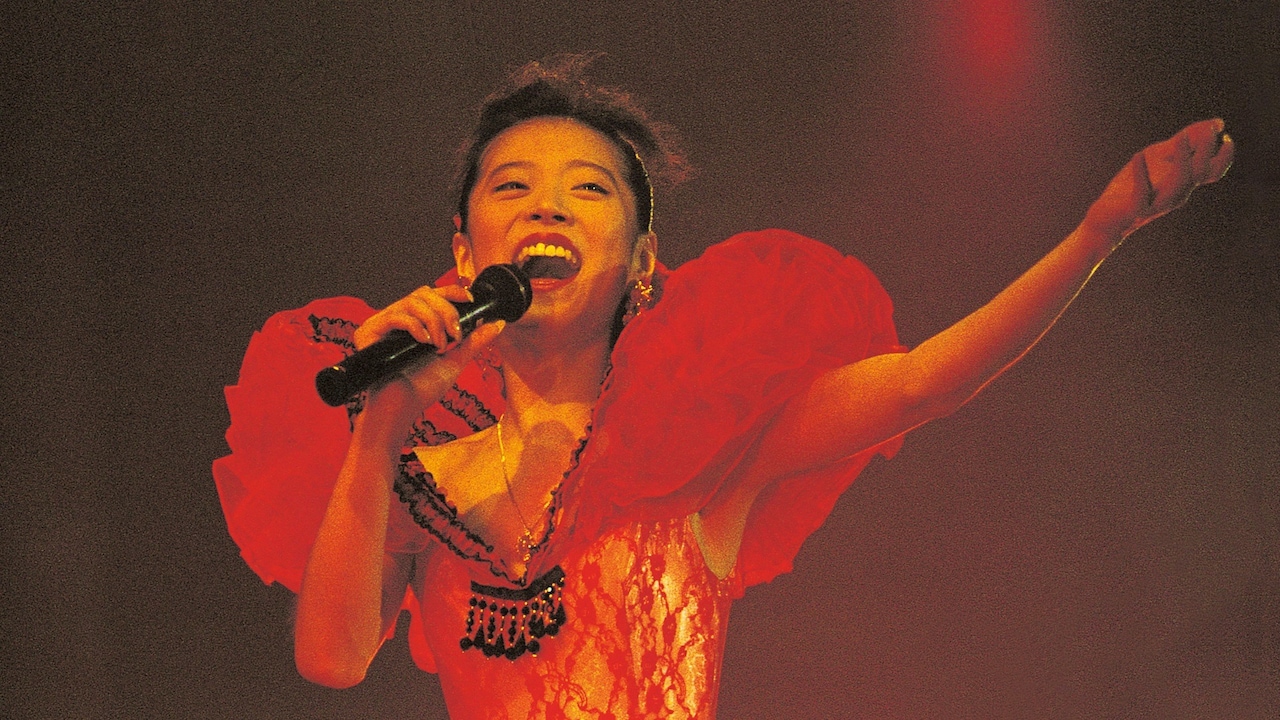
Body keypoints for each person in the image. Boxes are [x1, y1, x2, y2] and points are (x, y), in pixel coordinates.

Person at [213, 56, 1234, 718]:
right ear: (463, 248)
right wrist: (383, 422)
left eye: (586, 190)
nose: (546, 210)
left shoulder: (697, 447)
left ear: (641, 261)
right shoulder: (426, 475)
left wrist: (1095, 236)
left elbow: (923, 384)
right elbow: (333, 661)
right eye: (511, 187)